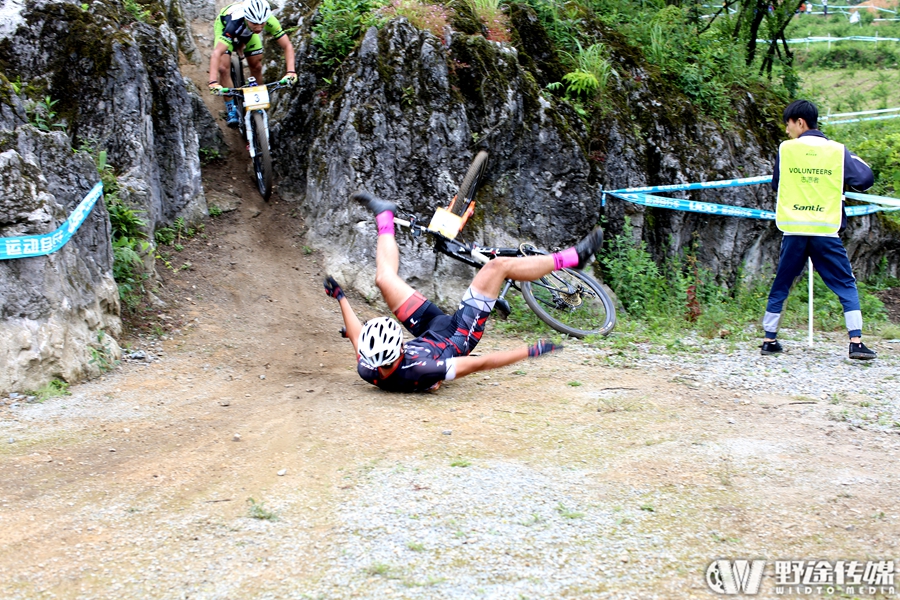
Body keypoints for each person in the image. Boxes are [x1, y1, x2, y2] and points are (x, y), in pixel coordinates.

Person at [322, 192, 605, 392]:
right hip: (459, 333)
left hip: (430, 330)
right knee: (497, 267)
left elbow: (358, 338)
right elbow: (481, 364)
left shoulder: (369, 368)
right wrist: (528, 351)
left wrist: (341, 298)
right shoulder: (423, 370)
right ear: (398, 349)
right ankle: (571, 259)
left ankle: (385, 214)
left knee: (384, 279)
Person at [761, 99, 876, 360]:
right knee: (845, 284)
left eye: (788, 124)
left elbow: (776, 184)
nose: (786, 130)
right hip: (825, 229)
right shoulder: (837, 151)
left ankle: (769, 339)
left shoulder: (786, 150)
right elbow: (865, 179)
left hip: (794, 228)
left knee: (782, 282)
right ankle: (856, 342)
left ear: (800, 122)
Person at [208, 0, 297, 128]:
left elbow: (287, 45)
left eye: (262, 24)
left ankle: (258, 101)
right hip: (225, 25)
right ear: (247, 18)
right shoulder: (234, 23)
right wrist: (213, 82)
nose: (259, 28)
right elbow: (216, 53)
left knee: (256, 65)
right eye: (255, 23)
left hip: (247, 32)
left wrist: (291, 72)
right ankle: (231, 108)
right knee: (223, 68)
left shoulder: (269, 20)